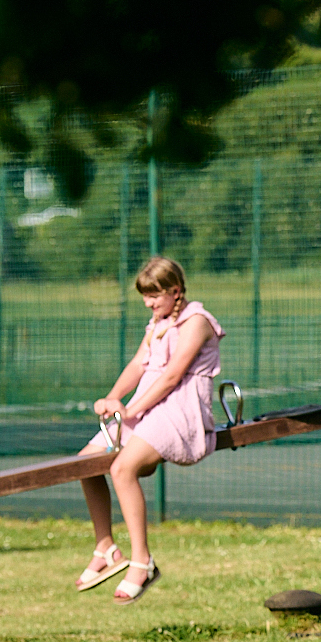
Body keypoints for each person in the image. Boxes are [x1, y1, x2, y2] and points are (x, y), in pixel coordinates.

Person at [72, 257, 225, 605]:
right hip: (148, 408)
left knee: (121, 469)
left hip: (179, 411)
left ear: (175, 291)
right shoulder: (158, 323)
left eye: (154, 296)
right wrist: (113, 397)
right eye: (144, 296)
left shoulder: (197, 322)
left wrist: (132, 409)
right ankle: (106, 547)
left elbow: (172, 376)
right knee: (85, 463)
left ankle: (142, 562)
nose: (148, 303)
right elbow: (139, 365)